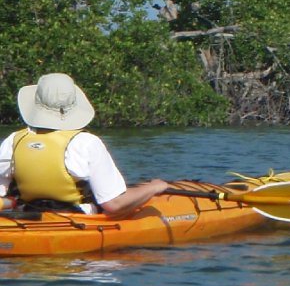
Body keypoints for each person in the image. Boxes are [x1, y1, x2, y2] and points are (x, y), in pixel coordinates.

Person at [0, 73, 169, 218]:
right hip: (78, 220)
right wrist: (153, 187)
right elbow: (114, 204)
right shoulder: (86, 143)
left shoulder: (14, 140)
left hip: (29, 216)